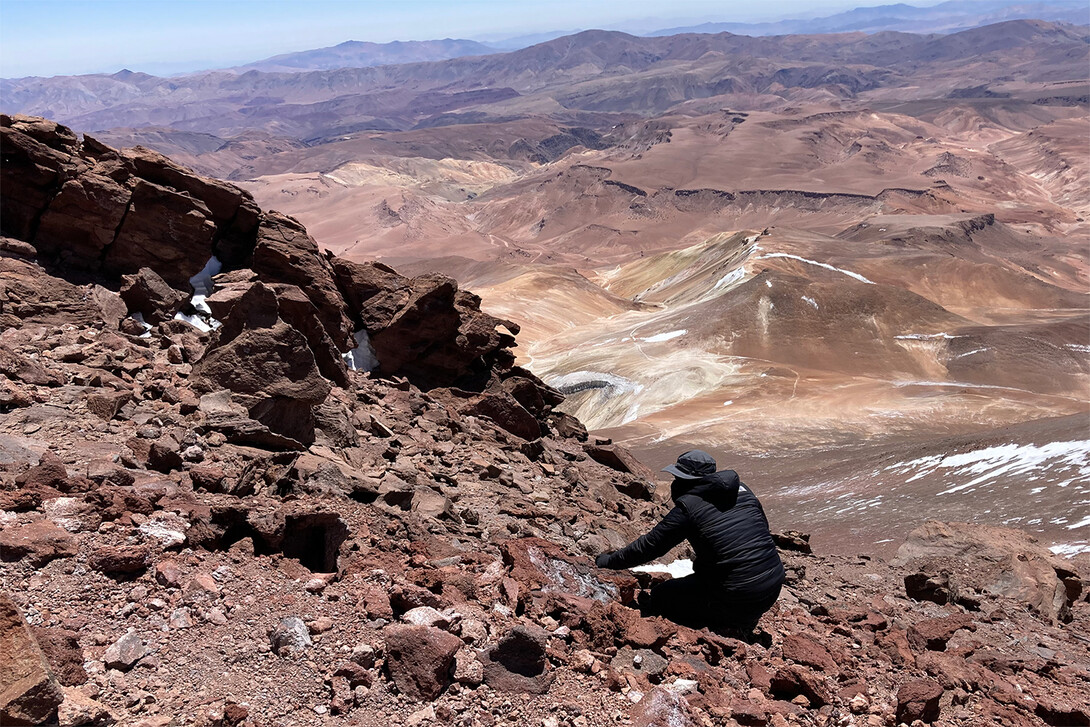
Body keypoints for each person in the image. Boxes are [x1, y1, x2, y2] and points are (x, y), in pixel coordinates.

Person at [595, 450, 785, 637]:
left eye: (678, 477)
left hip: (737, 594)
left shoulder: (689, 507)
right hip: (773, 585)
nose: (675, 483)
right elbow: (762, 530)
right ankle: (742, 617)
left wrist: (607, 562)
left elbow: (648, 548)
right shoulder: (743, 491)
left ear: (686, 480)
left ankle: (730, 623)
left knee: (661, 596)